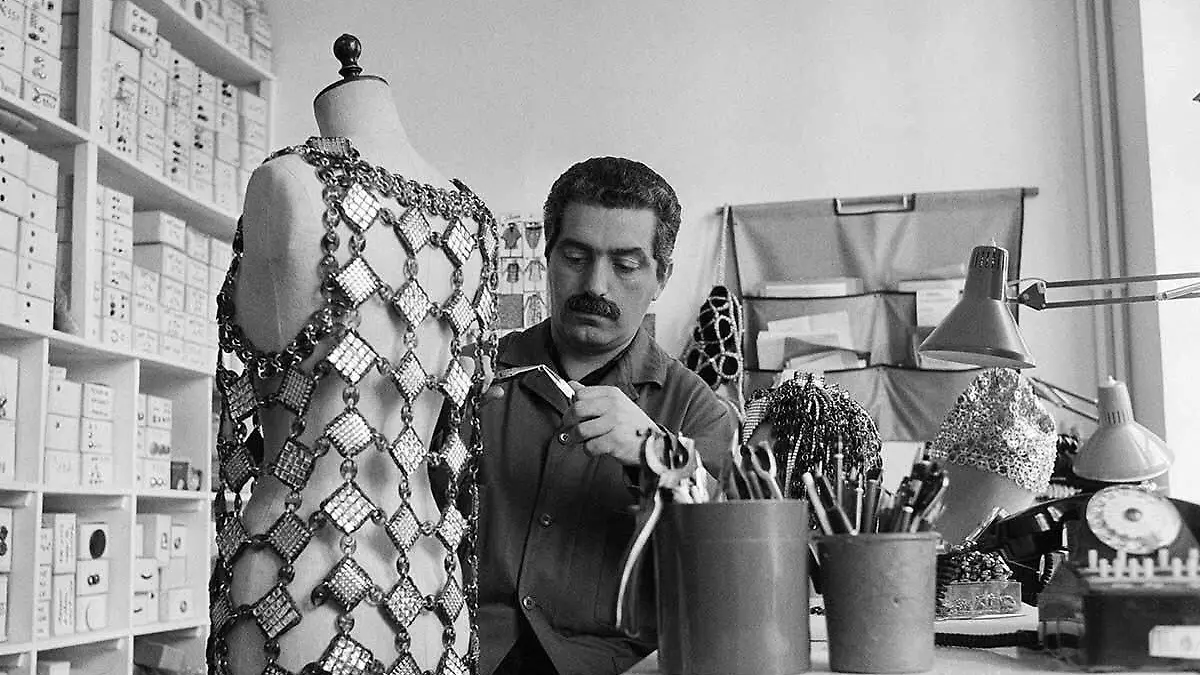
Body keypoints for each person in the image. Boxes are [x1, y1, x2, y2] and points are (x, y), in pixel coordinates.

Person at [477, 157, 738, 675]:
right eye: (575, 257)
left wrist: (658, 454)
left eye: (625, 266)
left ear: (661, 277)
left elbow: (728, 567)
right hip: (469, 653)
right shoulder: (479, 376)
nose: (596, 285)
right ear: (547, 258)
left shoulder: (696, 409)